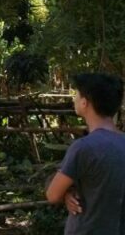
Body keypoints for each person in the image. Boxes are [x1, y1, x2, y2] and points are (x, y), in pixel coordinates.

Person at [46, 73, 125, 234]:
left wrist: (64, 193)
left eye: (76, 94)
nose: (74, 98)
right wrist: (68, 192)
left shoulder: (84, 147)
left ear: (84, 102)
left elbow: (53, 194)